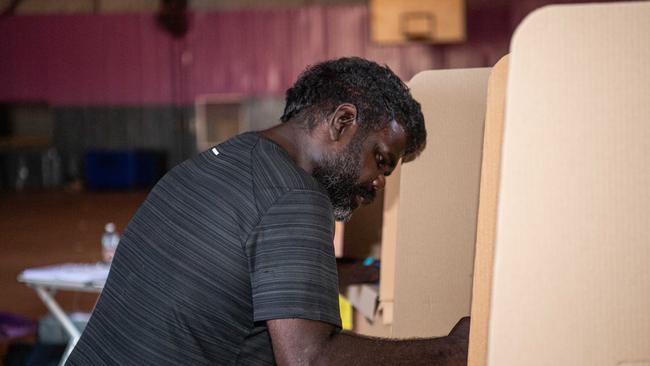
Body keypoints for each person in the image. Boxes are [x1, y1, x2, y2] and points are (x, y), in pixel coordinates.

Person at [66, 57, 469, 365]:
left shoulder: (224, 160)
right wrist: (451, 350)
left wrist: (351, 271)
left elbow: (237, 271)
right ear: (343, 120)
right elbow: (309, 358)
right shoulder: (296, 196)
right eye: (380, 160)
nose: (380, 182)